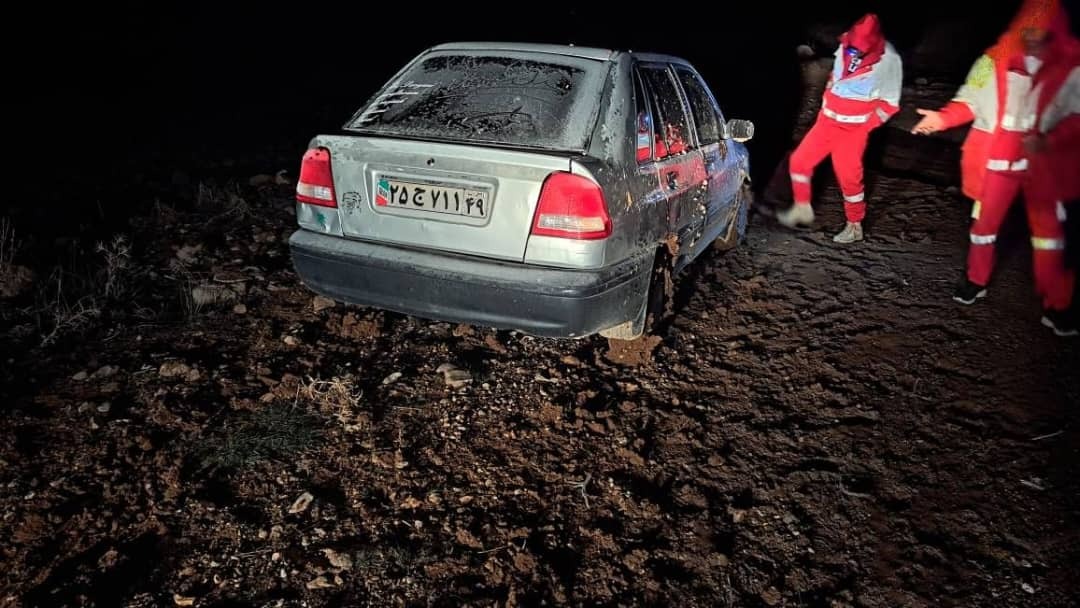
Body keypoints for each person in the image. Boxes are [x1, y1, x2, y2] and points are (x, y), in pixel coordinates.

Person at [777, 13, 903, 243]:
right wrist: (826, 109)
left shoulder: (889, 60)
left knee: (849, 178)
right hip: (827, 122)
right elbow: (835, 79)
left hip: (853, 130)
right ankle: (802, 208)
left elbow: (890, 105)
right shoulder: (846, 44)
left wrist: (865, 127)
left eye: (860, 51)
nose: (855, 53)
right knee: (799, 163)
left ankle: (855, 226)